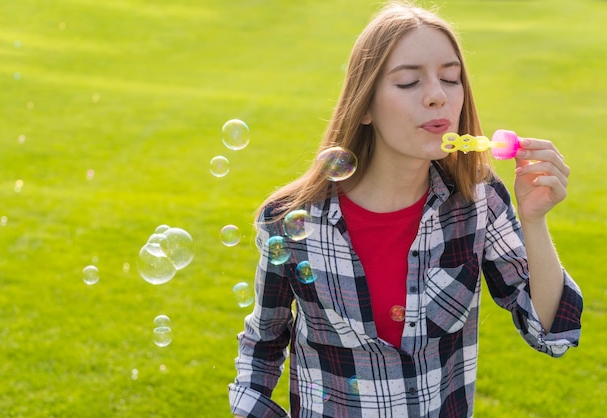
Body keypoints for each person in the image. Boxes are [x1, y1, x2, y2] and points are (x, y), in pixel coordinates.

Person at [229, 2, 583, 417]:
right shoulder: (289, 220)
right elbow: (263, 342)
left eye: (451, 79)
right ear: (364, 105)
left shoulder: (478, 199)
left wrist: (534, 219)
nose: (437, 96)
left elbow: (552, 334)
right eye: (409, 82)